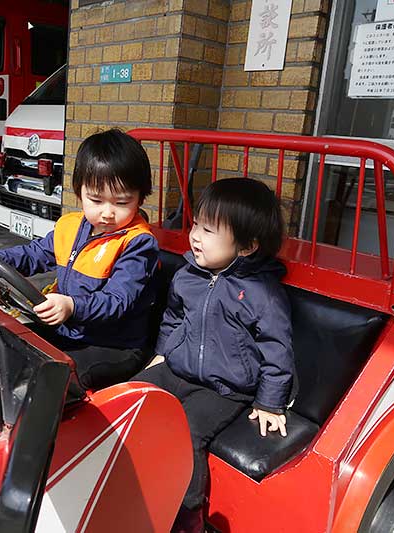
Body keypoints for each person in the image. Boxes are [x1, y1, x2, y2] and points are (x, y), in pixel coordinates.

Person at [132, 178, 296, 533]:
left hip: (224, 388)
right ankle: (123, 484)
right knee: (127, 399)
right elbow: (174, 318)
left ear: (247, 247)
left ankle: (188, 516)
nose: (194, 236)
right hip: (177, 368)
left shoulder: (262, 294)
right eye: (195, 224)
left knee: (186, 433)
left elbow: (277, 351)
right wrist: (162, 354)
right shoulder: (189, 276)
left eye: (208, 230)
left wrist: (270, 403)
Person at [0, 129, 159, 390]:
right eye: (96, 200)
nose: (107, 213)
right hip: (69, 331)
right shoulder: (70, 227)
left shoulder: (138, 244)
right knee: (4, 347)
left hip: (113, 345)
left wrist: (72, 306)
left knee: (55, 382)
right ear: (79, 192)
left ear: (140, 198)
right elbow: (33, 254)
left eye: (122, 202)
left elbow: (118, 301)